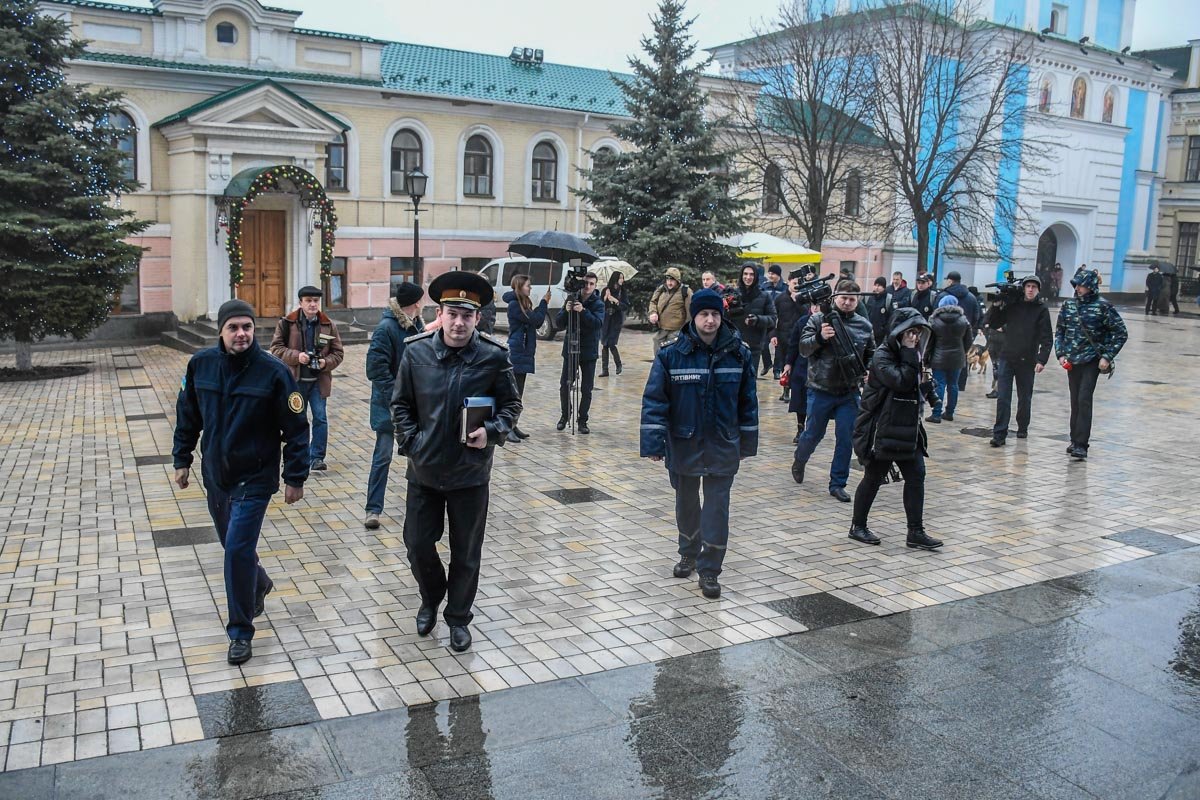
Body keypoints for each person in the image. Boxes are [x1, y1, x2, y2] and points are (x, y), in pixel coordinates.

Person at [173, 299, 309, 665]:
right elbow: (188, 415)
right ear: (221, 331)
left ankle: (240, 632)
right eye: (233, 327)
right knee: (234, 548)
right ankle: (259, 582)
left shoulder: (273, 371)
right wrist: (182, 458)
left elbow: (297, 428)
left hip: (256, 477)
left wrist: (295, 476)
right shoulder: (200, 365)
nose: (241, 334)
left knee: (236, 549)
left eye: (246, 327)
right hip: (217, 476)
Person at [391, 271, 521, 652]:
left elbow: (511, 405)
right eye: (452, 314)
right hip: (424, 471)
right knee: (417, 544)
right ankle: (431, 596)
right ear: (440, 314)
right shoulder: (416, 353)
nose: (459, 323)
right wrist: (413, 443)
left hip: (470, 474)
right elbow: (400, 404)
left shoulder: (493, 356)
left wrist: (492, 431)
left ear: (477, 318)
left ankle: (459, 617)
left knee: (466, 552)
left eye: (467, 315)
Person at [640, 288, 758, 600]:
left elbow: (748, 402)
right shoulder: (670, 354)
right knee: (686, 504)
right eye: (704, 314)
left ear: (722, 316)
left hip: (723, 443)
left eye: (715, 314)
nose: (710, 320)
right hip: (684, 443)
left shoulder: (739, 354)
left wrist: (747, 443)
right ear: (694, 317)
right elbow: (655, 400)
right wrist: (653, 443)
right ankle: (688, 553)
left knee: (717, 508)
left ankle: (710, 569)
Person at [850, 308, 943, 551]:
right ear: (898, 332)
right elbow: (902, 381)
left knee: (916, 476)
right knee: (873, 477)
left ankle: (916, 532)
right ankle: (857, 526)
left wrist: (929, 389)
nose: (914, 337)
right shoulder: (883, 356)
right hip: (882, 428)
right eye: (910, 332)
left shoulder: (913, 354)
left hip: (908, 427)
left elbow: (917, 382)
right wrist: (910, 353)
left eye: (917, 333)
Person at [791, 281, 875, 502]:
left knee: (846, 438)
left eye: (852, 299)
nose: (847, 302)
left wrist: (870, 370)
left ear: (858, 301)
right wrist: (820, 337)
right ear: (835, 297)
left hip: (849, 391)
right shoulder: (819, 319)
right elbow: (803, 348)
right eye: (843, 298)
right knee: (813, 434)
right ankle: (800, 459)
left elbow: (871, 353)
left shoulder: (864, 325)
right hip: (821, 388)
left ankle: (837, 483)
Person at [363, 281, 424, 528]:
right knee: (382, 457)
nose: (422, 304)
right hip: (389, 407)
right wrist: (397, 398)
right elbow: (375, 369)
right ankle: (373, 509)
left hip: (414, 407)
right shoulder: (386, 328)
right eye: (420, 300)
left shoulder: (416, 325)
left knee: (418, 458)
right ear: (415, 303)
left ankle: (420, 510)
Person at [1054, 267, 1127, 461]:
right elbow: (1060, 331)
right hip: (1072, 360)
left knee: (1084, 399)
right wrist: (1060, 353)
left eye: (1082, 285)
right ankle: (1074, 439)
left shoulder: (1103, 307)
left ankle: (1081, 444)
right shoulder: (1068, 306)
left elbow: (1120, 333)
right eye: (1076, 285)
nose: (1078, 288)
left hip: (1091, 361)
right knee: (1075, 401)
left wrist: (1107, 356)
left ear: (1091, 286)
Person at [269, 286, 345, 470]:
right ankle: (297, 455)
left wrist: (325, 362)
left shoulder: (328, 325)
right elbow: (276, 349)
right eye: (308, 301)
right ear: (300, 303)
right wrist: (297, 357)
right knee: (297, 419)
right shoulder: (287, 323)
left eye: (316, 301)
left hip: (319, 381)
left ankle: (317, 457)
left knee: (320, 419)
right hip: (296, 382)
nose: (312, 304)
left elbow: (338, 353)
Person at [984, 276, 1052, 446]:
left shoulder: (1041, 309)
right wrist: (997, 306)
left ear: (1038, 290)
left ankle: (1023, 426)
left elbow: (1047, 338)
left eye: (1034, 287)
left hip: (1027, 359)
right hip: (1007, 356)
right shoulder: (1013, 304)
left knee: (1024, 397)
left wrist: (1041, 359)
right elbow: (994, 323)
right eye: (1028, 286)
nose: (1030, 289)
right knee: (1003, 397)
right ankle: (999, 434)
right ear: (1023, 288)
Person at [555, 271, 604, 433]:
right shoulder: (571, 298)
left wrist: (583, 311)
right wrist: (566, 310)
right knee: (565, 385)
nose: (588, 287)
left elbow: (597, 324)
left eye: (591, 284)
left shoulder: (598, 304)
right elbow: (559, 323)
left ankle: (583, 420)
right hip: (571, 348)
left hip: (588, 351)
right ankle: (565, 414)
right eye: (585, 283)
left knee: (586, 388)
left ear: (595, 286)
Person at [503, 274, 550, 442]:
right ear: (519, 286)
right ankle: (507, 428)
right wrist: (543, 303)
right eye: (528, 285)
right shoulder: (514, 305)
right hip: (518, 351)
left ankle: (513, 425)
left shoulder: (522, 304)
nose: (530, 288)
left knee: (519, 393)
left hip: (523, 352)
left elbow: (534, 320)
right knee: (513, 393)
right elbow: (536, 320)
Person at [924, 295, 971, 424]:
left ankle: (936, 414)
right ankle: (949, 413)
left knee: (939, 385)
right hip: (957, 358)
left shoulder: (934, 321)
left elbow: (929, 342)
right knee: (953, 385)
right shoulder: (963, 320)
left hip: (939, 358)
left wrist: (926, 358)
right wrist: (962, 352)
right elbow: (968, 340)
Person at [728, 263, 777, 377]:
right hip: (734, 344)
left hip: (754, 345)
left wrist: (757, 320)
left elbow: (773, 319)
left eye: (751, 274)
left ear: (756, 277)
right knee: (733, 379)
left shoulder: (764, 296)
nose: (748, 277)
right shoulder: (732, 294)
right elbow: (724, 318)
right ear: (741, 275)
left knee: (749, 379)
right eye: (745, 274)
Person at [781, 302, 817, 442]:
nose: (816, 308)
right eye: (814, 305)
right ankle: (800, 427)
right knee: (800, 398)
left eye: (819, 305)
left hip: (819, 368)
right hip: (801, 365)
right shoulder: (802, 321)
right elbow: (794, 344)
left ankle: (811, 428)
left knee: (815, 401)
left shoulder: (828, 322)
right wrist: (788, 363)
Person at [772, 273, 807, 402]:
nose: (796, 286)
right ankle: (785, 390)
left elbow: (806, 313)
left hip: (799, 336)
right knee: (784, 363)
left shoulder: (804, 299)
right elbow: (774, 317)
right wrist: (773, 335)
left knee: (796, 363)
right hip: (783, 335)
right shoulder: (780, 298)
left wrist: (798, 301)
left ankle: (794, 390)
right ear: (789, 282)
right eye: (794, 283)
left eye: (799, 284)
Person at [648, 266, 692, 356]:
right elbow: (653, 302)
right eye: (667, 279)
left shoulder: (685, 291)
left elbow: (690, 311)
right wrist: (653, 312)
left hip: (676, 329)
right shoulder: (661, 289)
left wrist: (687, 329)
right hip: (662, 328)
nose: (669, 282)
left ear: (677, 280)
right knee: (657, 343)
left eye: (672, 280)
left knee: (670, 351)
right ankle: (659, 363)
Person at [600, 271, 629, 377]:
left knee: (611, 343)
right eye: (620, 278)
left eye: (623, 278)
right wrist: (605, 298)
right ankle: (605, 370)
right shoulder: (606, 290)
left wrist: (615, 301)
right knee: (604, 344)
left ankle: (618, 364)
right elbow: (600, 304)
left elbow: (625, 306)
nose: (622, 280)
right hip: (606, 319)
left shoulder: (622, 292)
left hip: (616, 320)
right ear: (615, 279)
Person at [760, 265, 787, 376]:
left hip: (780, 319)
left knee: (778, 346)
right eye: (769, 273)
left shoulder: (785, 287)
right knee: (763, 344)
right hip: (767, 318)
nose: (770, 276)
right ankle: (767, 364)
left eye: (773, 274)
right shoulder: (764, 286)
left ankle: (777, 370)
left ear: (778, 275)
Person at [864, 276, 893, 345]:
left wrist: (885, 330)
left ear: (884, 287)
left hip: (881, 335)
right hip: (869, 332)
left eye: (879, 286)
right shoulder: (868, 297)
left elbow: (891, 318)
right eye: (875, 285)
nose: (876, 288)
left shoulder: (888, 299)